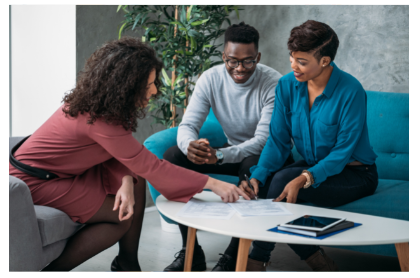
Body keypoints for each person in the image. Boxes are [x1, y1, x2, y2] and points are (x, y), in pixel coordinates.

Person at [8, 37, 250, 272]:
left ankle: (127, 263)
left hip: (60, 172)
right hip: (35, 181)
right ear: (126, 87)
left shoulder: (101, 105)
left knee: (135, 178)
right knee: (122, 217)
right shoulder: (99, 120)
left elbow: (120, 154)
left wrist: (125, 178)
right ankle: (54, 272)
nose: (155, 90)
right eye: (148, 85)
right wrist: (213, 183)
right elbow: (151, 166)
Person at [241, 20, 379, 271]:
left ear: (325, 61)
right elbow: (278, 140)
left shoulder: (351, 91)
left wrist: (304, 178)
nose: (293, 65)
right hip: (313, 164)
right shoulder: (286, 85)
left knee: (283, 182)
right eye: (292, 57)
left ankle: (257, 258)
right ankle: (317, 259)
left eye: (302, 61)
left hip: (354, 173)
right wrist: (258, 176)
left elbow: (341, 153)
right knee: (266, 179)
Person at [162, 22, 293, 272]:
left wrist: (220, 156)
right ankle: (191, 250)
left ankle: (234, 254)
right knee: (171, 157)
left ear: (258, 57)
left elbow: (263, 140)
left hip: (269, 157)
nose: (239, 68)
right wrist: (190, 146)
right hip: (232, 151)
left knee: (251, 164)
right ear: (224, 56)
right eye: (232, 61)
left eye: (248, 61)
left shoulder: (273, 82)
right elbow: (188, 123)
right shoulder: (211, 78)